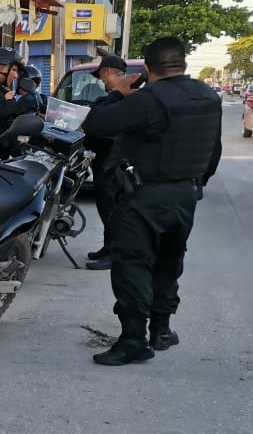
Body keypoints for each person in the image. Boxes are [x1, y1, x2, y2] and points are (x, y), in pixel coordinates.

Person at [79, 37, 222, 366]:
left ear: (147, 68)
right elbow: (213, 152)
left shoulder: (149, 99)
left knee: (132, 264)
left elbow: (94, 123)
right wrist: (193, 184)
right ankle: (161, 330)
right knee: (168, 263)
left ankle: (133, 341)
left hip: (144, 196)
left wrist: (118, 92)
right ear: (182, 63)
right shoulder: (208, 96)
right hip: (186, 194)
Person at [82, 55, 134, 272]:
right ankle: (108, 247)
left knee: (112, 209)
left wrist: (114, 95)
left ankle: (115, 253)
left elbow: (96, 118)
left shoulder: (122, 98)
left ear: (110, 72)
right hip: (106, 158)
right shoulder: (114, 98)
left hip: (116, 162)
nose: (101, 81)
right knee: (106, 207)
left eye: (102, 75)